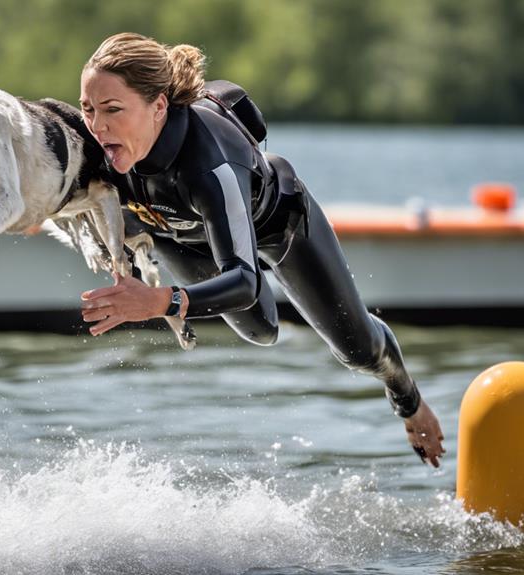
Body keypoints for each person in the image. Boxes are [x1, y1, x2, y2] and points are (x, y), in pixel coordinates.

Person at [77, 32, 445, 466]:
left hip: (278, 226)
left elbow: (245, 283)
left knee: (357, 350)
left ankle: (409, 399)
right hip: (180, 236)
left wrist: (161, 301)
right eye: (88, 109)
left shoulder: (209, 165)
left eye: (113, 110)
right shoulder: (94, 145)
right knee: (262, 332)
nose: (97, 126)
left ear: (158, 107)